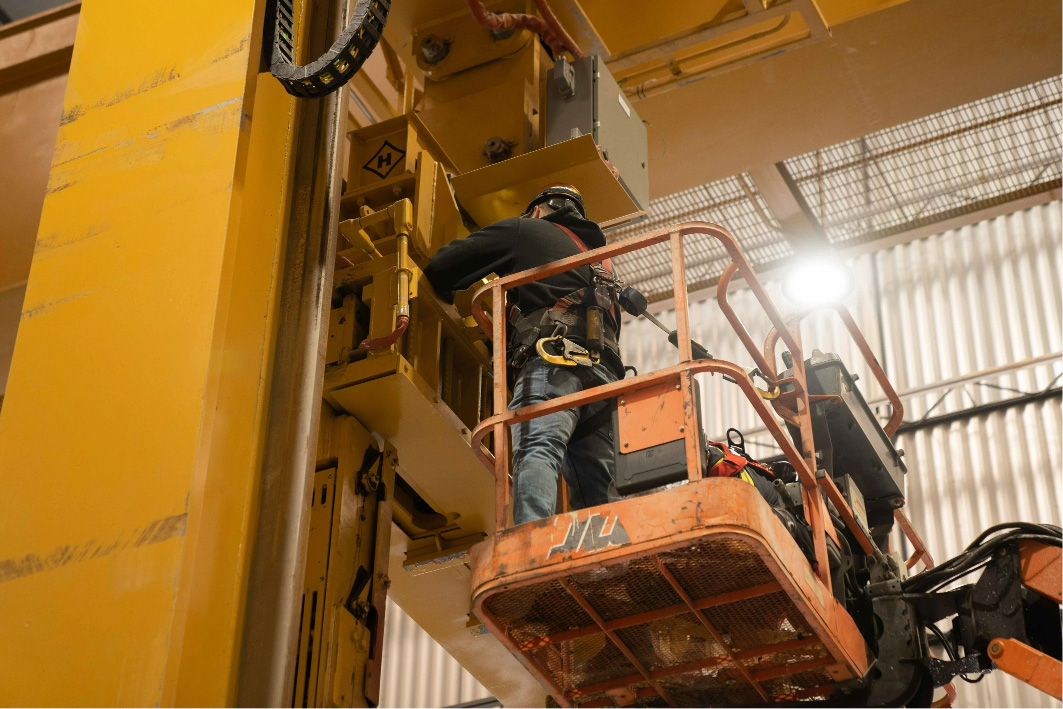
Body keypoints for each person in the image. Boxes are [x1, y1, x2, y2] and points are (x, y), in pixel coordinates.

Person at [423, 184, 623, 525]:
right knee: (600, 488)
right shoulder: (604, 269)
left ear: (536, 210)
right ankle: (612, 562)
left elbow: (444, 268)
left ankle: (532, 541)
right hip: (605, 381)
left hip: (555, 362)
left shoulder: (526, 229)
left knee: (539, 448)